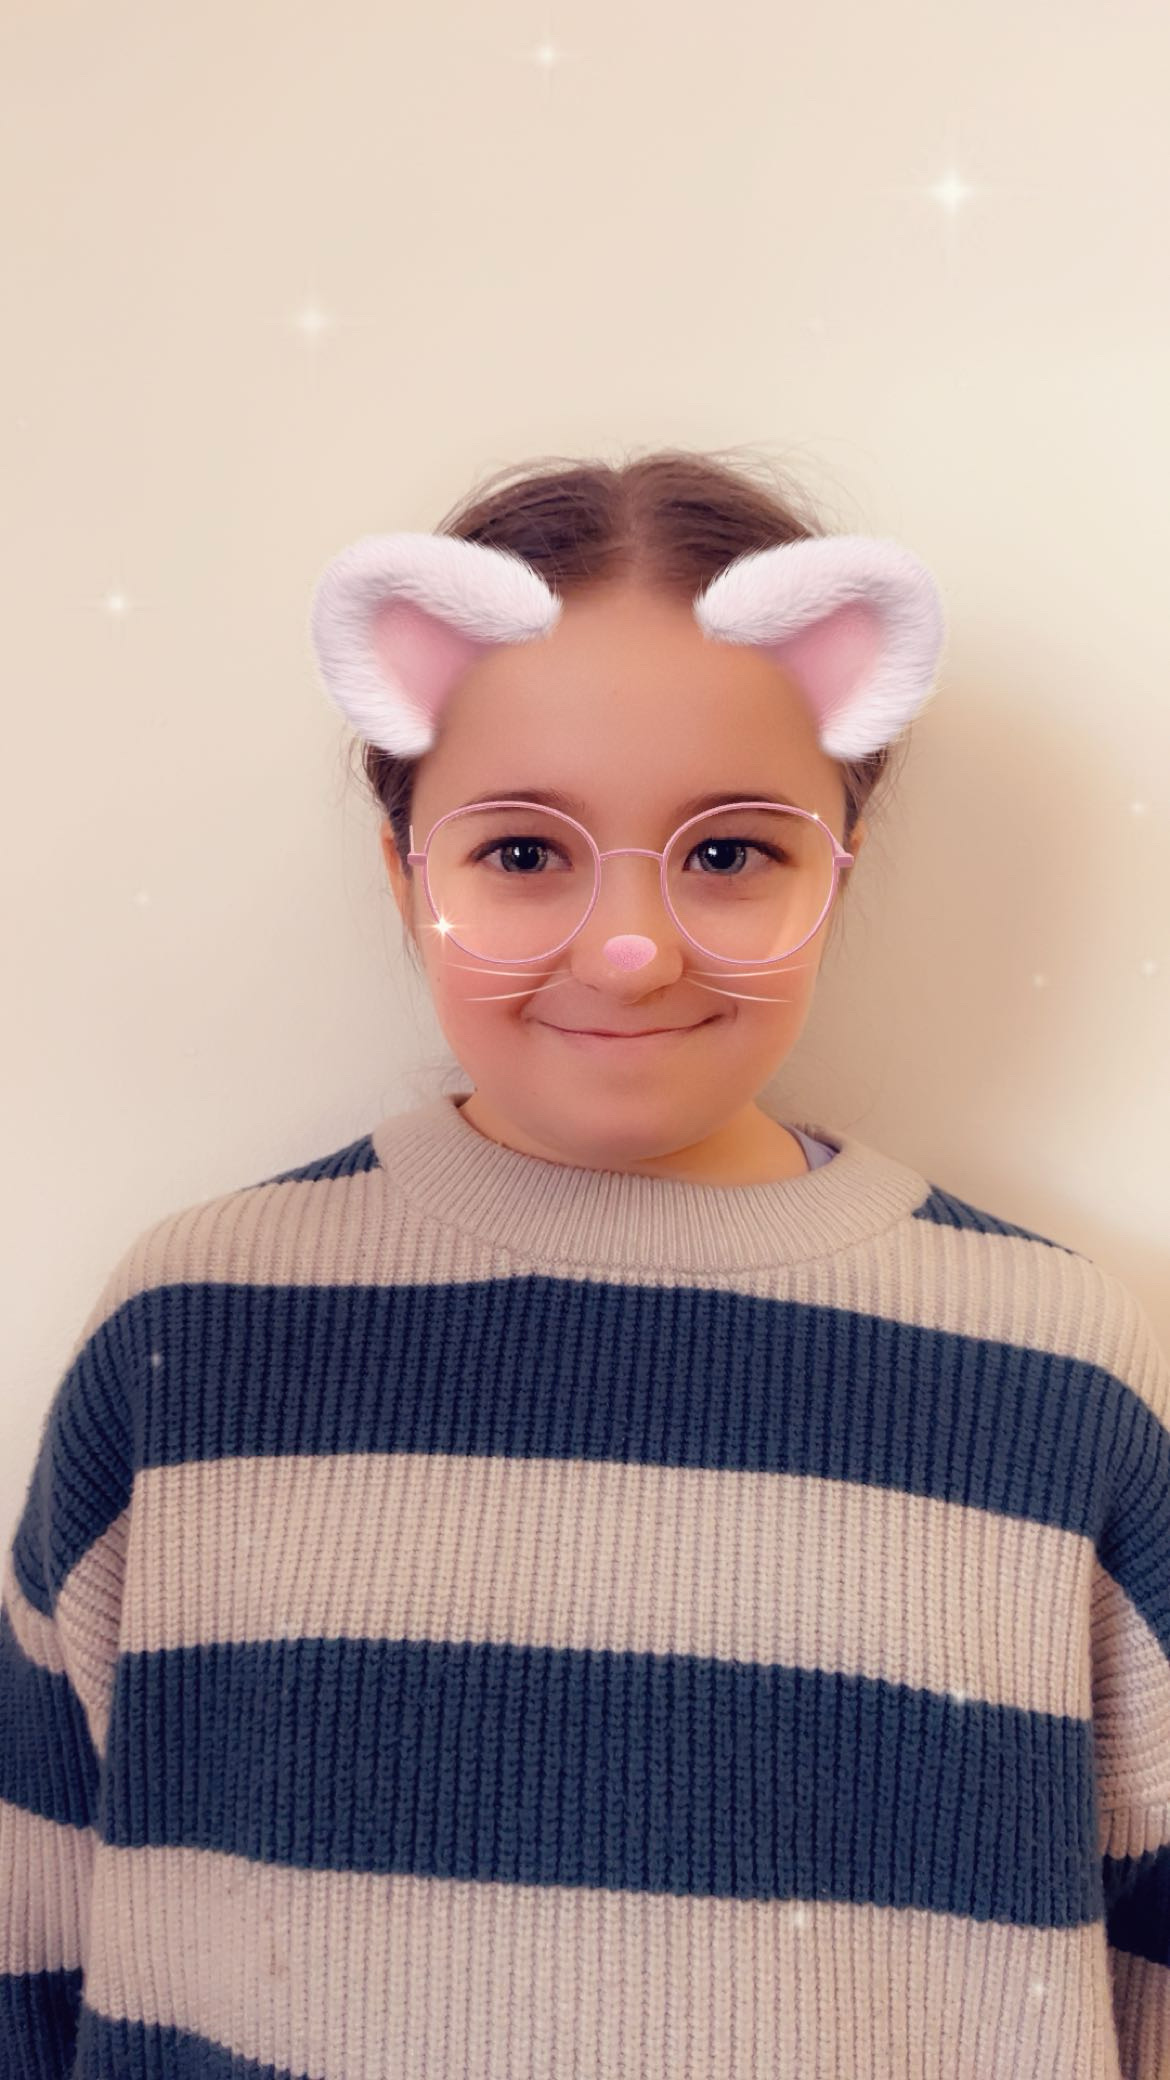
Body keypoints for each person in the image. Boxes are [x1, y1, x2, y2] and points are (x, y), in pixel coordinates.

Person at [2, 448, 1167, 2078]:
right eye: (523, 853)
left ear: (839, 868)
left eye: (729, 853)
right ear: (405, 870)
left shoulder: (1054, 1371)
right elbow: (32, 1925)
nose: (629, 950)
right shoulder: (190, 1333)